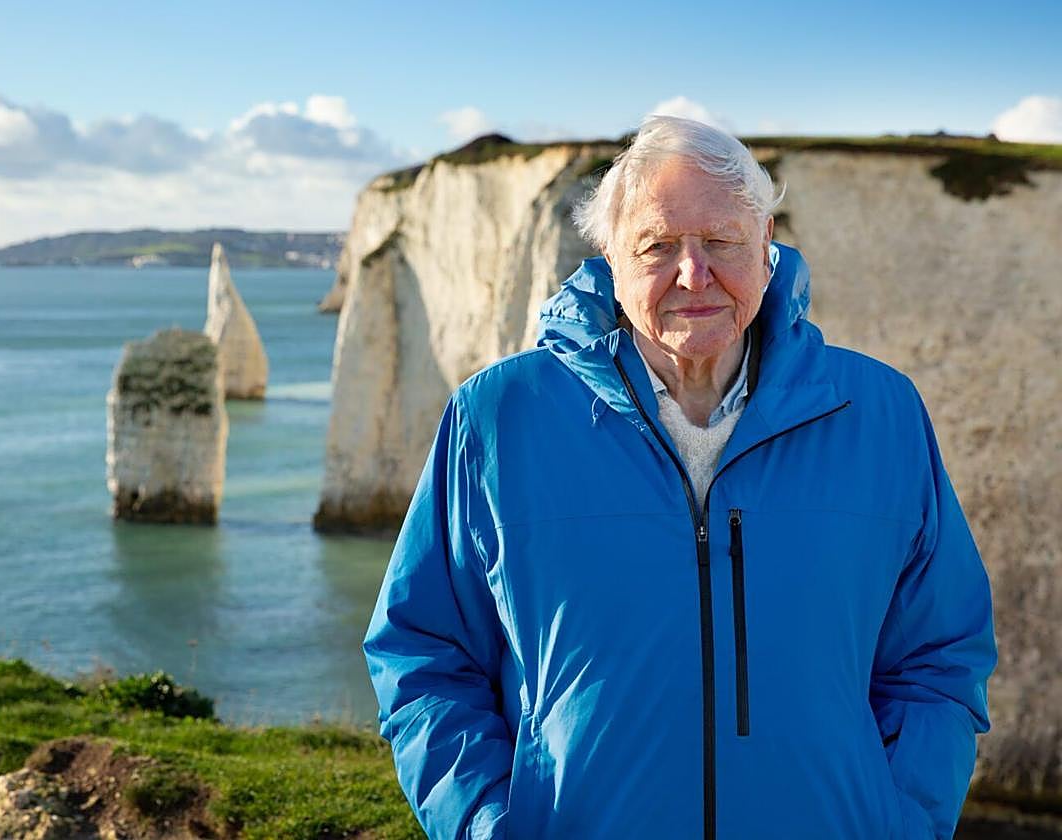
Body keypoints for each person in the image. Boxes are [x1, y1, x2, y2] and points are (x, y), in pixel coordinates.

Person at [362, 115, 997, 840]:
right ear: (610, 258)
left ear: (767, 249)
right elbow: (423, 655)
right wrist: (485, 825)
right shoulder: (498, 418)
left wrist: (901, 824)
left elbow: (938, 655)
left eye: (722, 242)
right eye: (658, 246)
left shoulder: (880, 414)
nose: (693, 273)